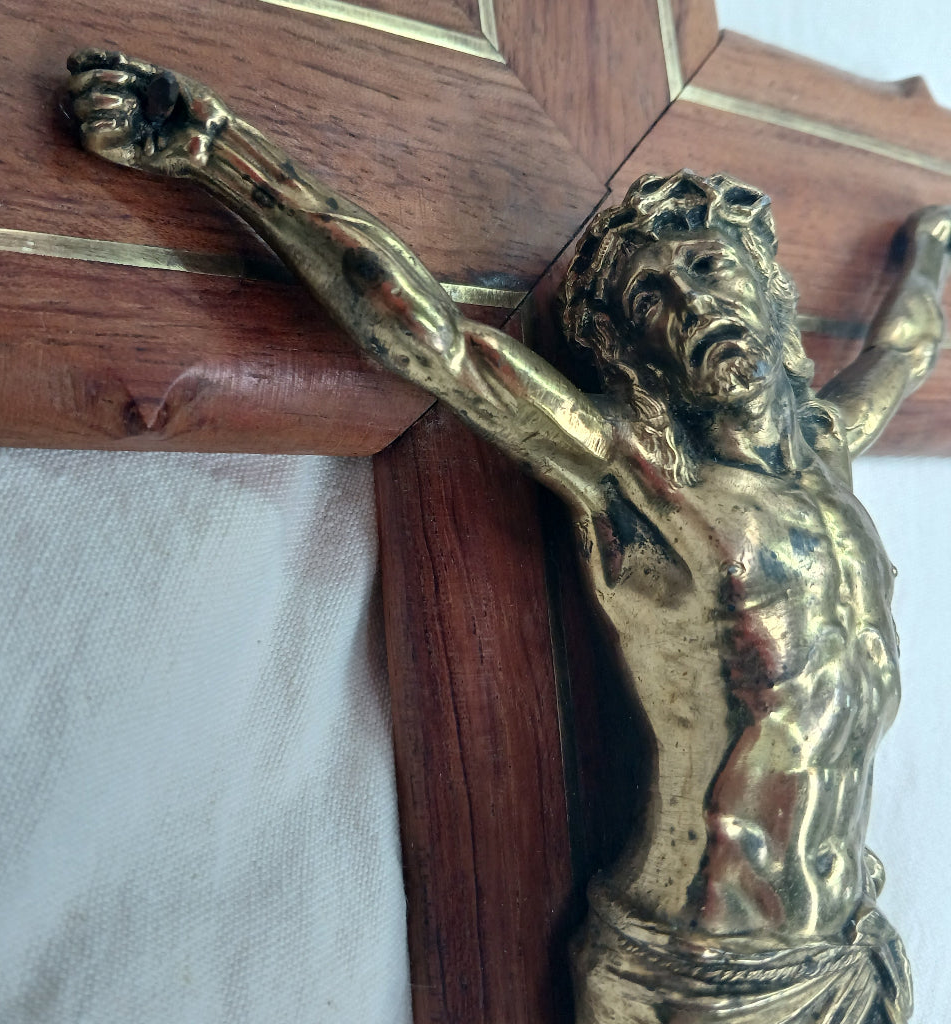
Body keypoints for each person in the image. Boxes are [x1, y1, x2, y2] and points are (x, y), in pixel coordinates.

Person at [68, 48, 951, 1023]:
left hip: (849, 941)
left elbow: (905, 345)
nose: (693, 300)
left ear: (768, 290)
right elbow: (433, 339)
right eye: (654, 297)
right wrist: (222, 152)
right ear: (635, 351)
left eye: (707, 266)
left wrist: (937, 238)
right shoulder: (644, 484)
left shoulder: (825, 447)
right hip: (700, 976)